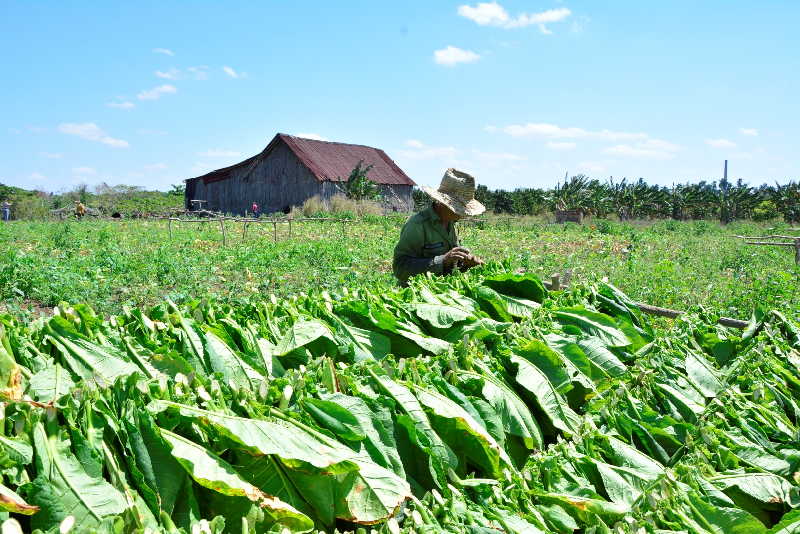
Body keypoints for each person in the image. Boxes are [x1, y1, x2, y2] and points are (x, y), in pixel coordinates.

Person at [393, 168, 485, 286]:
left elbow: (450, 265)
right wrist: (442, 260)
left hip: (440, 289)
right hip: (414, 293)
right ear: (443, 204)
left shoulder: (452, 223)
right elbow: (400, 268)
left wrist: (466, 263)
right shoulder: (418, 224)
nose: (462, 215)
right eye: (458, 210)